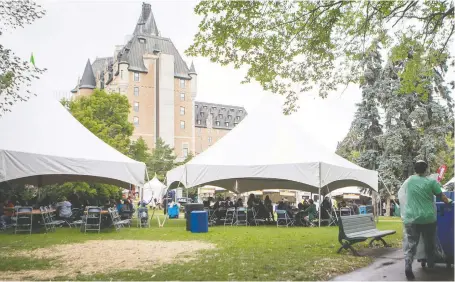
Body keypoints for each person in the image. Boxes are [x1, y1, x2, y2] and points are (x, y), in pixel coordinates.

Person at [399, 160, 453, 280]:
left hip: (411, 218)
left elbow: (402, 194)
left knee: (411, 244)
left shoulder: (410, 181)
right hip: (428, 218)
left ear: (415, 169)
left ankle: (408, 265)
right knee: (430, 243)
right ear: (426, 169)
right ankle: (431, 264)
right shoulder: (431, 182)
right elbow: (442, 197)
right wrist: (449, 201)